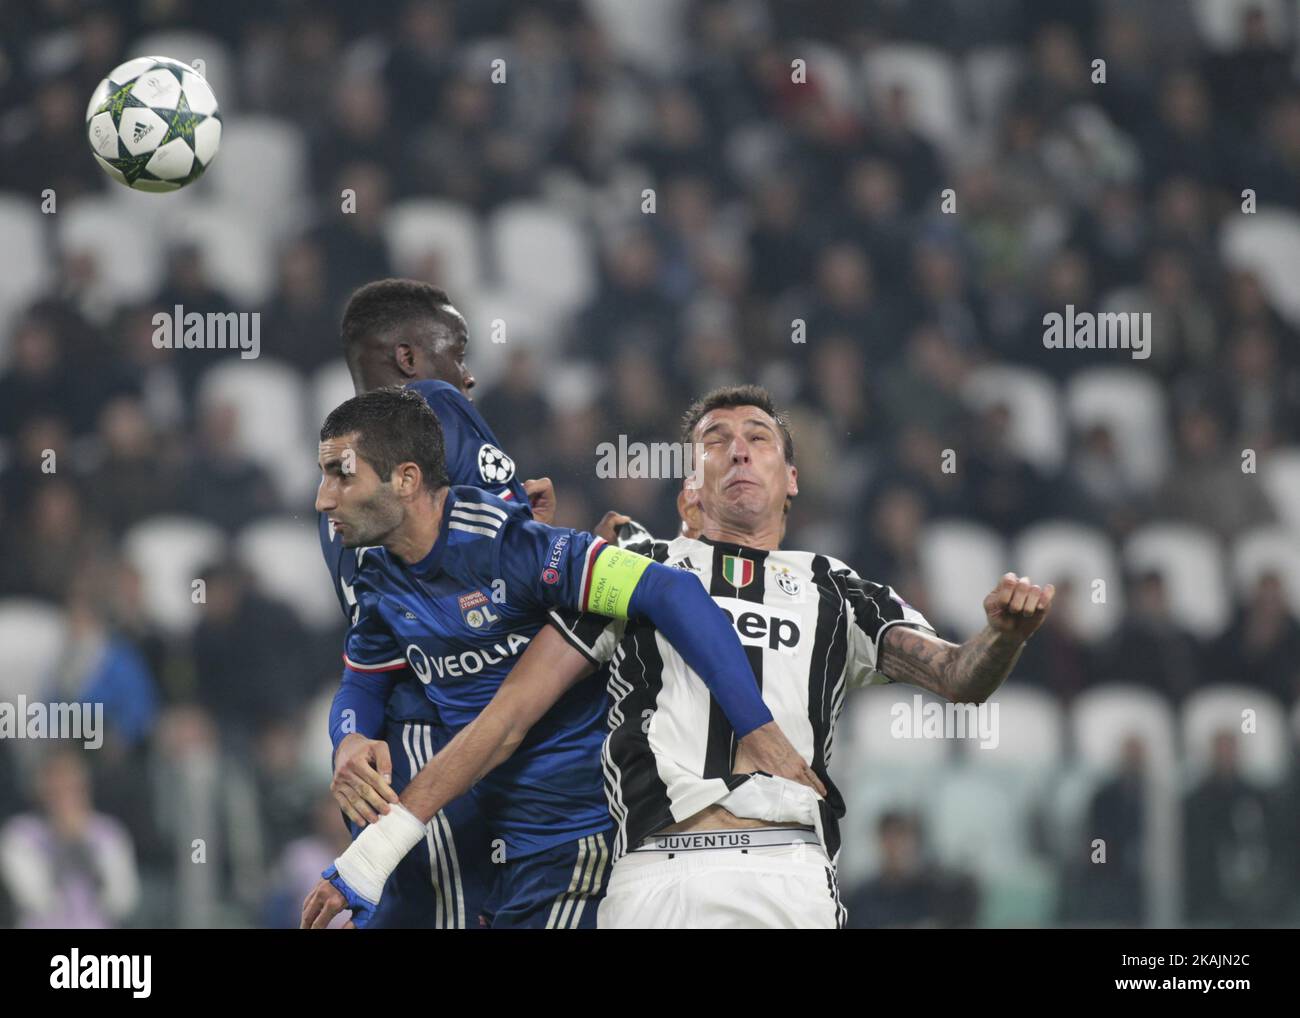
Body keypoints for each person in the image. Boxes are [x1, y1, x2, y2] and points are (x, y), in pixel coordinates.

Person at [304, 384, 1054, 929]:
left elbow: (959, 677)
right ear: (687, 484)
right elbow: (504, 719)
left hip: (790, 871)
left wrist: (1004, 637)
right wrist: (372, 857)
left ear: (792, 479)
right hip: (657, 876)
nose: (738, 451)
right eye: (715, 442)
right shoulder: (629, 569)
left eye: (759, 438)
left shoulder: (839, 589)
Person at [301, 388, 811, 928]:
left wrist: (757, 728)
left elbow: (674, 593)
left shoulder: (509, 546)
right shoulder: (379, 572)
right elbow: (361, 680)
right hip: (500, 841)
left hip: (581, 836)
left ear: (404, 480)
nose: (323, 499)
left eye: (342, 475)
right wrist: (349, 740)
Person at [321, 278, 550, 928]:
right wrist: (537, 538)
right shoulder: (435, 405)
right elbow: (515, 558)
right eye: (459, 350)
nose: (469, 376)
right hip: (452, 747)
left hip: (384, 746)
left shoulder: (336, 473)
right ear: (409, 358)